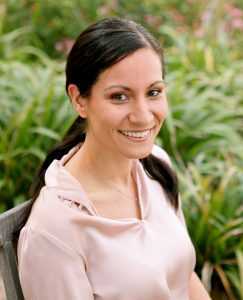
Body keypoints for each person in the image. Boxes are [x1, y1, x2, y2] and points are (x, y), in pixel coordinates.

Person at [17, 17, 211, 300]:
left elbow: (185, 278)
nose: (143, 115)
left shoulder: (155, 165)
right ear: (79, 100)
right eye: (120, 96)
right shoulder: (56, 229)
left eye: (154, 92)